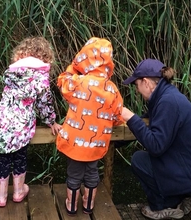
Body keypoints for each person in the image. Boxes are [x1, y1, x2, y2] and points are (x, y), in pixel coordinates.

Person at [121, 58, 191, 219]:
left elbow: (155, 146)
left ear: (146, 82)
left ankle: (164, 206)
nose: (137, 90)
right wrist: (115, 141)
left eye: (137, 85)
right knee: (154, 159)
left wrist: (129, 116)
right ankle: (188, 196)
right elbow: (146, 124)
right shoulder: (167, 96)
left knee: (139, 160)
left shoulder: (168, 102)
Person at [0, 37, 61, 207]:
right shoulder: (41, 79)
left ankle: (0, 196)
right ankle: (18, 192)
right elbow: (44, 104)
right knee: (20, 157)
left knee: (4, 157)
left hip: (2, 118)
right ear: (45, 57)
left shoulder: (12, 72)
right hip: (21, 123)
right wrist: (51, 121)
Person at [56, 37, 125, 215]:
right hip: (96, 143)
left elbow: (62, 81)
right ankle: (88, 206)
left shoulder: (78, 82)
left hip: (75, 143)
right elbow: (118, 115)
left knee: (74, 174)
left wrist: (73, 66)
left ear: (84, 58)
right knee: (92, 173)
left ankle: (71, 207)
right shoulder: (111, 89)